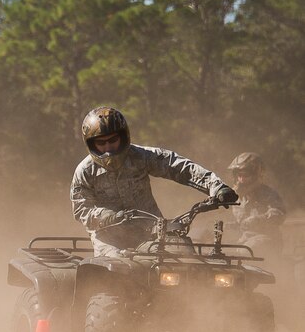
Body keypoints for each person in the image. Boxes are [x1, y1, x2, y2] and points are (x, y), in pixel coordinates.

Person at [70, 106, 238, 257]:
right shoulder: (84, 171)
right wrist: (105, 216)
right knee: (115, 270)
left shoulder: (141, 156)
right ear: (91, 144)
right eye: (101, 143)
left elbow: (177, 166)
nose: (108, 147)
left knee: (183, 256)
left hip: (152, 230)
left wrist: (216, 187)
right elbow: (81, 209)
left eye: (113, 140)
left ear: (123, 137)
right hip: (109, 238)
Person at [227, 152, 287, 255]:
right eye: (239, 175)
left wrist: (259, 219)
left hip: (267, 240)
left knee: (243, 253)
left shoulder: (268, 194)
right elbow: (240, 223)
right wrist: (231, 226)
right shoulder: (236, 198)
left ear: (256, 174)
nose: (241, 179)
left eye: (245, 175)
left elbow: (279, 214)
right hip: (244, 240)